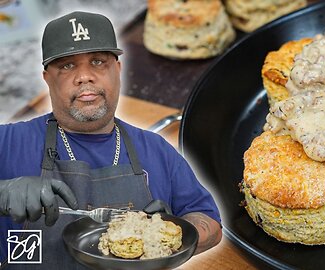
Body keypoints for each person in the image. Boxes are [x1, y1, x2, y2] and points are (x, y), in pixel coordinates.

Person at [0, 11, 222, 269]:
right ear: (47, 78)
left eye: (97, 62)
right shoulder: (8, 142)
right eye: (67, 65)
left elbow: (210, 224)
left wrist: (172, 232)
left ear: (117, 69)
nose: (84, 76)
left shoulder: (157, 151)